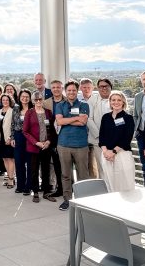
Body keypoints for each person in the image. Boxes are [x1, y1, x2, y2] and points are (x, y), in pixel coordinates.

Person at [55, 80, 90, 211]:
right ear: (65, 91)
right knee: (65, 174)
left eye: (73, 90)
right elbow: (59, 121)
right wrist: (75, 118)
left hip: (81, 144)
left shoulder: (84, 105)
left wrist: (66, 120)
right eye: (69, 90)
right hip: (63, 144)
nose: (71, 92)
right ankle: (67, 200)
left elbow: (83, 122)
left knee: (83, 174)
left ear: (77, 91)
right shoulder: (60, 105)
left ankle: (83, 201)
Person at [23, 91, 57, 203]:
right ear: (33, 101)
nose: (38, 101)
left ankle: (46, 192)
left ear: (43, 100)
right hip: (34, 147)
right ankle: (36, 192)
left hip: (46, 146)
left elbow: (52, 129)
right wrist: (36, 142)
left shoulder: (48, 112)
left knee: (46, 169)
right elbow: (25, 131)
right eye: (36, 100)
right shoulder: (29, 113)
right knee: (34, 170)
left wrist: (48, 141)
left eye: (40, 99)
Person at [98, 91, 135, 192]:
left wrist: (113, 152)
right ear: (110, 102)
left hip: (122, 154)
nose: (116, 102)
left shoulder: (128, 118)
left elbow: (127, 139)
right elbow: (102, 137)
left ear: (123, 102)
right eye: (113, 100)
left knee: (125, 183)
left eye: (119, 100)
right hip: (106, 155)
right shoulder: (105, 117)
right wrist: (106, 152)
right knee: (109, 183)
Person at [87, 78, 113, 179]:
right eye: (101, 86)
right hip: (98, 140)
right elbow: (89, 119)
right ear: (97, 88)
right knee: (102, 166)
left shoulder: (115, 98)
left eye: (106, 86)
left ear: (111, 87)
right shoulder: (92, 100)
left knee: (115, 166)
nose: (104, 88)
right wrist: (99, 136)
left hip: (114, 140)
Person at [43, 79, 65, 199]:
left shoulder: (68, 101)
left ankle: (65, 188)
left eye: (58, 87)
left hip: (65, 136)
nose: (56, 89)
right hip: (50, 137)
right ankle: (53, 188)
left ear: (62, 88)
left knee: (63, 165)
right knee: (52, 164)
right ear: (51, 89)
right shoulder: (46, 103)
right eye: (53, 87)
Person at [0, 94, 18, 188]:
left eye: (7, 100)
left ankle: (11, 179)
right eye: (3, 100)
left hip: (8, 139)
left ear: (10, 101)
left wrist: (11, 138)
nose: (5, 101)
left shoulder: (13, 111)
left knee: (10, 159)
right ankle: (9, 177)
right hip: (0, 139)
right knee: (4, 159)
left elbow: (14, 126)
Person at [79, 78, 100, 179]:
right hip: (80, 136)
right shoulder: (77, 100)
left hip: (95, 136)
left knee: (93, 164)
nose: (86, 89)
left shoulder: (97, 100)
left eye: (88, 87)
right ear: (80, 88)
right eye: (84, 87)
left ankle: (94, 185)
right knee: (81, 165)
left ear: (93, 88)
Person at [14, 89, 32, 194]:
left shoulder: (33, 109)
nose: (24, 98)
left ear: (29, 98)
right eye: (22, 96)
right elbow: (13, 124)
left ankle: (28, 187)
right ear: (19, 97)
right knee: (19, 162)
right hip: (18, 136)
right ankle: (20, 185)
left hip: (30, 137)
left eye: (27, 97)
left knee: (30, 163)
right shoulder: (16, 109)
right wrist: (11, 138)